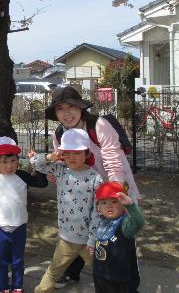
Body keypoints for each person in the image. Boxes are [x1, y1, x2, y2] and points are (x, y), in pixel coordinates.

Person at [44, 86, 141, 291]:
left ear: (80, 107)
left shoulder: (98, 125)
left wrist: (116, 197)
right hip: (86, 190)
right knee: (86, 226)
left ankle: (128, 282)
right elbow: (62, 161)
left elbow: (114, 162)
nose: (66, 113)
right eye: (60, 109)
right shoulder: (60, 133)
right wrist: (56, 175)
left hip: (115, 187)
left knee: (121, 238)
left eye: (71, 107)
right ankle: (74, 272)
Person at [31, 128, 102, 293]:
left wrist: (92, 239)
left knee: (103, 271)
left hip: (87, 241)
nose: (71, 157)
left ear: (86, 154)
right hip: (66, 238)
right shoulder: (61, 170)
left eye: (76, 153)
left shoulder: (95, 178)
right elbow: (36, 162)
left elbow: (97, 211)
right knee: (53, 271)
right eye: (67, 153)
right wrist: (51, 156)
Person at [0, 136, 48, 293]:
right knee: (1, 260)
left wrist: (36, 162)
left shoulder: (21, 175)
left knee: (18, 260)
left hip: (19, 225)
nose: (10, 165)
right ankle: (3, 287)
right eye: (4, 162)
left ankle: (17, 287)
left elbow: (42, 182)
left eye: (13, 160)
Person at [93, 182, 145, 293]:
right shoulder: (102, 221)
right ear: (98, 207)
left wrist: (130, 205)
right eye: (104, 202)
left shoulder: (124, 223)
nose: (109, 205)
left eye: (114, 201)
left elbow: (139, 222)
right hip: (100, 273)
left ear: (122, 204)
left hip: (118, 278)